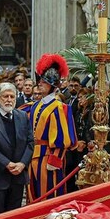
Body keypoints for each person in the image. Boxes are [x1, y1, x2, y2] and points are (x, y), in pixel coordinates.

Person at [28, 54, 76, 200]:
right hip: (32, 157)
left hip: (48, 157)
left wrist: (55, 159)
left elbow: (64, 138)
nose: (39, 84)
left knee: (49, 195)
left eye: (44, 82)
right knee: (33, 195)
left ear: (52, 86)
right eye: (40, 81)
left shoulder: (60, 107)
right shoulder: (36, 105)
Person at [0, 83, 31, 215]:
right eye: (5, 96)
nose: (9, 100)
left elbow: (30, 142)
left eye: (12, 96)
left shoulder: (23, 117)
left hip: (17, 177)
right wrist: (7, 164)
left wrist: (22, 164)